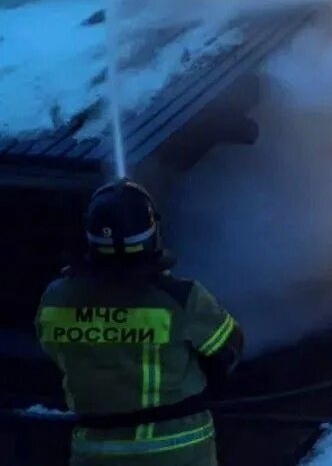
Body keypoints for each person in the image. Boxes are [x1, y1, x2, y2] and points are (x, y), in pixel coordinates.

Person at [35, 179, 243, 466]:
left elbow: (55, 354)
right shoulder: (181, 298)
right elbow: (229, 350)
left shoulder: (56, 297)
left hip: (96, 452)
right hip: (180, 449)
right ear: (152, 230)